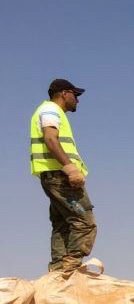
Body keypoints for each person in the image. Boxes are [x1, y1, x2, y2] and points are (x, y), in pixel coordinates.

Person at [30, 79, 97, 272]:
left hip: (52, 177)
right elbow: (50, 138)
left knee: (62, 224)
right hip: (61, 177)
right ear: (64, 93)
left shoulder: (47, 110)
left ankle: (59, 269)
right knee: (84, 222)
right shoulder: (50, 110)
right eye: (76, 95)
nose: (77, 100)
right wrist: (70, 168)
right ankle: (70, 269)